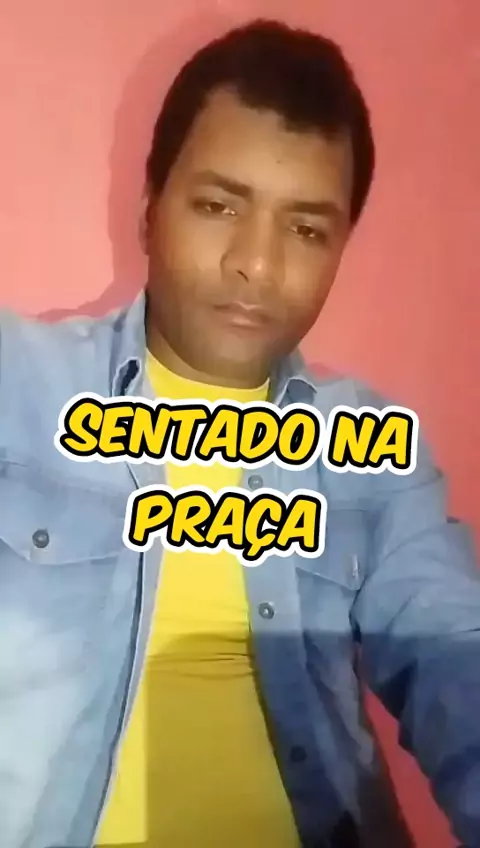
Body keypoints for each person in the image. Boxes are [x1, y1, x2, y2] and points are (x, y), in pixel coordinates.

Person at [0, 18, 478, 848]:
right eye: (220, 206)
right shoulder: (22, 388)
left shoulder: (368, 448)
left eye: (306, 228)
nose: (256, 263)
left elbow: (454, 653)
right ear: (149, 212)